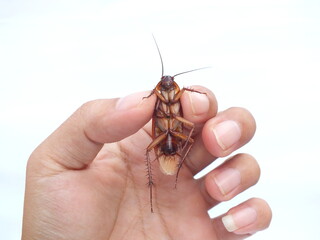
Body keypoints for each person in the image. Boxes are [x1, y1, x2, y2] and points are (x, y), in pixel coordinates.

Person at [22, 86, 272, 240]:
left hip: (173, 134)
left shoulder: (180, 93)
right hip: (164, 136)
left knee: (205, 132)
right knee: (160, 145)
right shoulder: (157, 97)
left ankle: (173, 174)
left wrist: (196, 97)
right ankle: (159, 184)